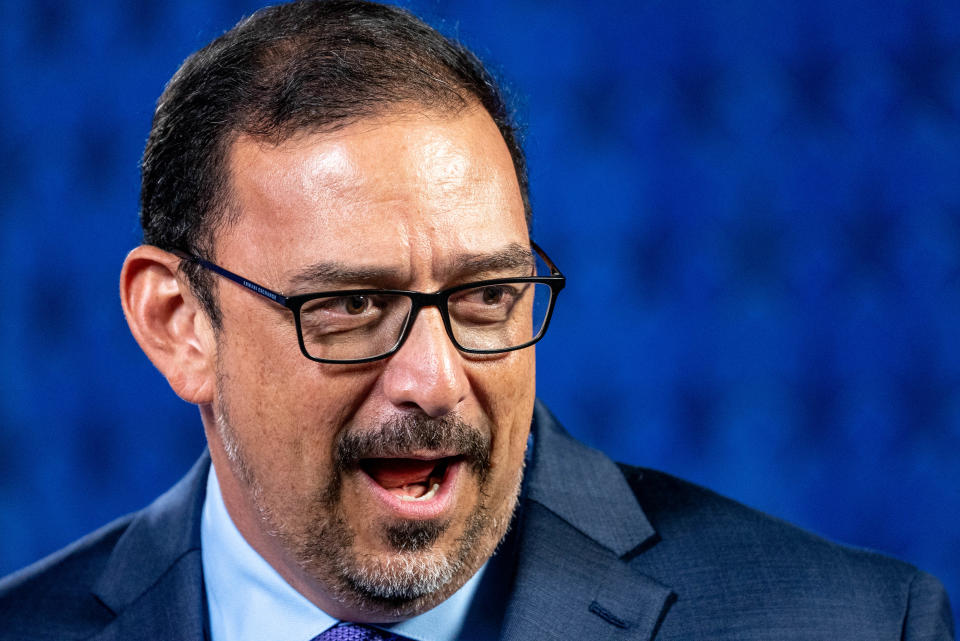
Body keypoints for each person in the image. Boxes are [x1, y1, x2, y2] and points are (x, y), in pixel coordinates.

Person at [0, 1, 954, 639]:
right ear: (179, 323)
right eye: (351, 307)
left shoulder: (854, 622)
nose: (436, 378)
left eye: (485, 296)